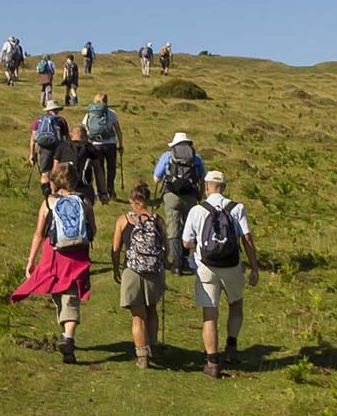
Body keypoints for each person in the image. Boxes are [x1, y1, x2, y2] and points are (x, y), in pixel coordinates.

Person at [11, 162, 97, 364]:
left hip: (54, 253)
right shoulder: (84, 201)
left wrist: (31, 260)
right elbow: (93, 229)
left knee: (60, 292)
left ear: (55, 181)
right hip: (77, 254)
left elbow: (39, 234)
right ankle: (67, 336)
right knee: (72, 293)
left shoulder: (48, 203)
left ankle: (68, 336)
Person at [182, 170, 260, 379]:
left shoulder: (197, 210)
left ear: (206, 186)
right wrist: (254, 267)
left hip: (206, 267)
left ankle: (212, 362)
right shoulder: (237, 208)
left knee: (210, 315)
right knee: (236, 305)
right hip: (232, 266)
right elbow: (247, 239)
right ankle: (232, 347)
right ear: (223, 187)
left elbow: (186, 242)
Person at [111, 182, 169, 369]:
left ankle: (142, 356)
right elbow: (166, 247)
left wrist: (116, 269)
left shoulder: (123, 220)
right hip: (153, 271)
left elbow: (116, 248)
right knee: (151, 310)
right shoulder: (157, 220)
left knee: (138, 317)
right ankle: (152, 345)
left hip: (132, 271)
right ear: (147, 200)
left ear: (131, 201)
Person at [152, 132, 205, 275]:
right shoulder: (196, 158)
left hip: (171, 195)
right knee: (189, 227)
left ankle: (176, 264)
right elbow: (202, 177)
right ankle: (186, 259)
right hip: (190, 196)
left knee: (173, 228)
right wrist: (200, 194)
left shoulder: (167, 156)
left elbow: (156, 178)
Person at [53, 125, 109, 206]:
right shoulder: (90, 148)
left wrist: (54, 190)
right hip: (85, 189)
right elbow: (98, 171)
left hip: (65, 189)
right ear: (85, 135)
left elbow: (55, 170)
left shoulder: (62, 147)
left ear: (71, 134)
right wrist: (103, 192)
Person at [82, 93, 123, 200]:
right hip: (110, 144)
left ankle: (101, 192)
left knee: (99, 169)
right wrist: (121, 144)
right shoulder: (112, 113)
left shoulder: (90, 113)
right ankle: (111, 189)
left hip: (96, 145)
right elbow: (118, 130)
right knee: (111, 168)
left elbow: (85, 128)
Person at [30, 100, 70, 197]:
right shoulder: (61, 120)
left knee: (44, 173)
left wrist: (32, 153)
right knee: (56, 172)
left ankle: (46, 193)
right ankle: (54, 192)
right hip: (58, 148)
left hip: (44, 148)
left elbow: (33, 138)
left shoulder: (38, 120)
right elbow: (67, 137)